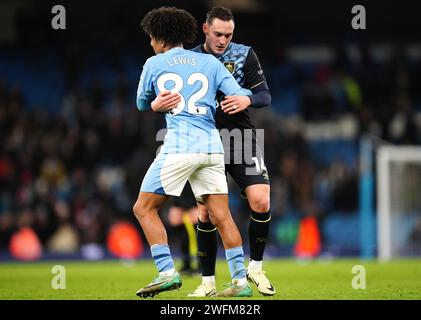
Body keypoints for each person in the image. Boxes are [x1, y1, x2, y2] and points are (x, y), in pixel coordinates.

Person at [152, 6, 275, 297]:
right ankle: (207, 283)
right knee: (205, 214)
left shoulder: (244, 54)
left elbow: (264, 95)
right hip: (205, 140)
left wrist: (246, 101)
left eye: (229, 35)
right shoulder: (191, 58)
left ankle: (255, 267)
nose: (223, 40)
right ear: (205, 29)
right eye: (218, 34)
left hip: (239, 137)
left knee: (261, 200)